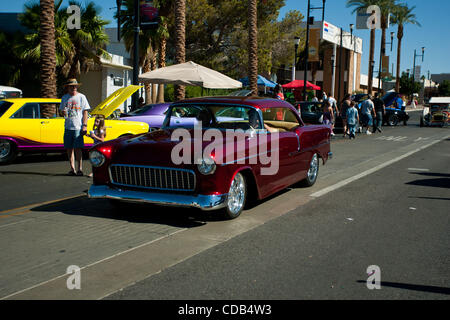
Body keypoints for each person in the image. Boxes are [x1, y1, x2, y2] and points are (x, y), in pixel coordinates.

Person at [59, 78, 90, 176]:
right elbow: (61, 112)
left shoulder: (82, 97)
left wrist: (84, 126)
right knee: (69, 148)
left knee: (78, 148)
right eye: (72, 86)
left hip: (78, 127)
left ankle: (80, 169)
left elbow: (85, 112)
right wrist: (62, 112)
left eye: (75, 86)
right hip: (68, 126)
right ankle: (72, 169)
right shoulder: (64, 97)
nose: (74, 88)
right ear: (68, 87)